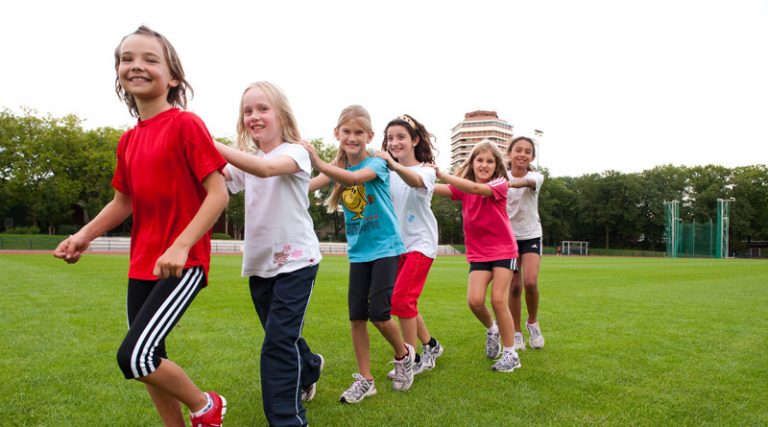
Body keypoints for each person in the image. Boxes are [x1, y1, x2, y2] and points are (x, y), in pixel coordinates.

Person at [53, 25, 229, 426]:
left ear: (173, 77)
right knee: (151, 360)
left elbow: (218, 193)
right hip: (142, 263)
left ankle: (206, 406)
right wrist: (82, 237)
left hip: (181, 264)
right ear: (118, 72)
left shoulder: (186, 125)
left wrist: (182, 245)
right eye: (127, 58)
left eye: (151, 59)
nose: (137, 66)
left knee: (135, 356)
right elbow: (123, 202)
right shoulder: (128, 141)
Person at [214, 81, 323, 426]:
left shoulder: (295, 152)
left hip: (297, 262)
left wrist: (206, 141)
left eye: (263, 109)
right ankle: (310, 367)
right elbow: (218, 177)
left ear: (281, 114)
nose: (254, 116)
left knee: (277, 344)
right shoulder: (250, 159)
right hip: (260, 265)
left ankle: (288, 420)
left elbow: (265, 170)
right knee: (280, 336)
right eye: (248, 111)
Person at [299, 105, 414, 404]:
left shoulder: (376, 164)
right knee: (356, 317)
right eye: (346, 131)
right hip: (359, 254)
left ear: (370, 136)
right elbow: (306, 187)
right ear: (337, 134)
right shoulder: (338, 168)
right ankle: (366, 379)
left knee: (379, 314)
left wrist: (316, 159)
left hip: (386, 248)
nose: (352, 137)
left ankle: (403, 355)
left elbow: (352, 179)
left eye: (358, 132)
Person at [432, 140, 521, 373]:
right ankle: (492, 330)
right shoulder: (464, 186)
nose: (484, 165)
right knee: (474, 300)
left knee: (498, 300)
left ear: (496, 165)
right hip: (479, 253)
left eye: (489, 161)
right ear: (472, 163)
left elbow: (475, 189)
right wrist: (417, 177)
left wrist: (444, 174)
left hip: (503, 250)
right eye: (479, 160)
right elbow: (434, 188)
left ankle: (511, 354)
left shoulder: (500, 184)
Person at [375, 115, 444, 378]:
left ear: (415, 140)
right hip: (397, 245)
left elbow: (414, 182)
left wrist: (392, 164)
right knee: (404, 303)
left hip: (421, 244)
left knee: (401, 300)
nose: (394, 142)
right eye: (390, 138)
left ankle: (411, 360)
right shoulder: (386, 172)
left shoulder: (426, 170)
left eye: (401, 137)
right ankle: (431, 346)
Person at [506, 136, 546, 350]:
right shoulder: (499, 176)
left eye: (527, 151)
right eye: (518, 150)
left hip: (531, 234)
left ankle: (532, 322)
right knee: (514, 288)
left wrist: (504, 183)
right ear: (509, 153)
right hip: (508, 238)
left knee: (530, 282)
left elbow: (525, 183)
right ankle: (516, 331)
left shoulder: (536, 176)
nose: (522, 154)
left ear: (532, 157)